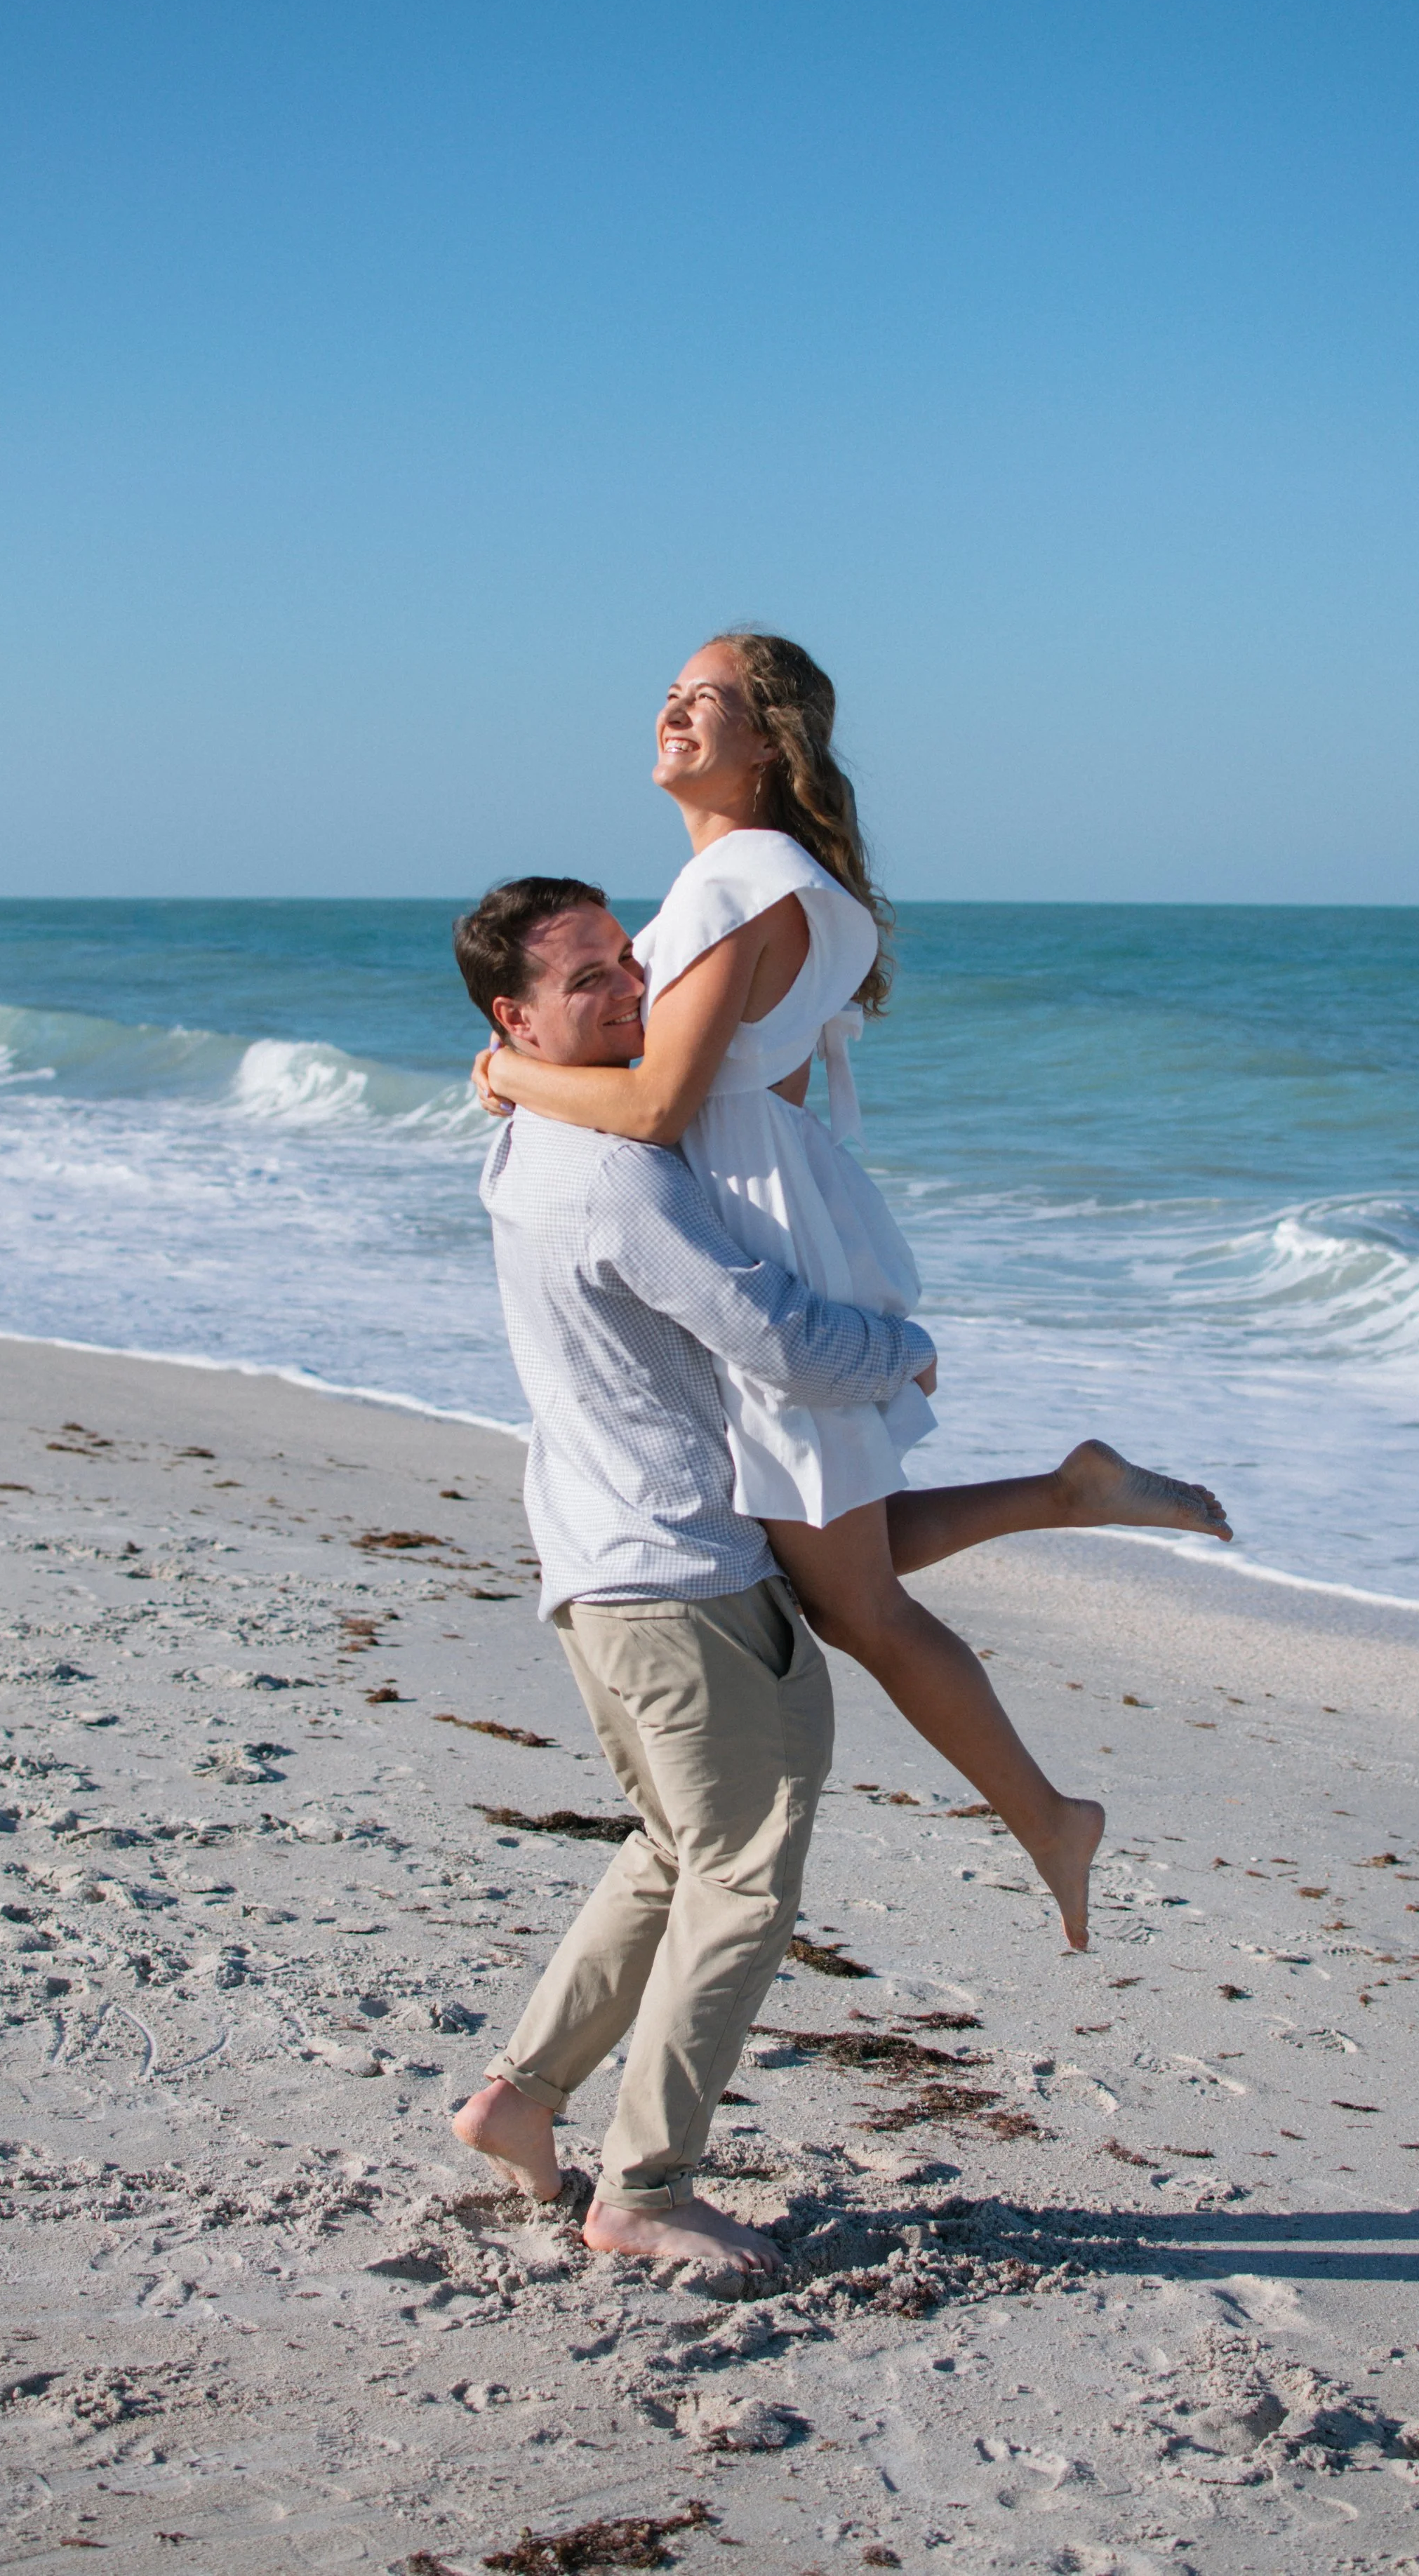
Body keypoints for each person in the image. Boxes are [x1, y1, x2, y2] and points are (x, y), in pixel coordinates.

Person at [469, 636, 1232, 1949]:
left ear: (770, 744)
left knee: (852, 1598)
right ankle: (1071, 1497)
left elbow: (654, 1106)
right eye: (671, 689)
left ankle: (1053, 1812)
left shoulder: (730, 882)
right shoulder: (777, 881)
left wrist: (508, 1076)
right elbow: (775, 1086)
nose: (673, 708)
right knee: (828, 1562)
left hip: (744, 1224)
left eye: (703, 698)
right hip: (772, 1207)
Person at [448, 875, 935, 2273]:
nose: (625, 991)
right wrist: (897, 1350)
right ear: (515, 1015)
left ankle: (519, 2100)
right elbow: (769, 1336)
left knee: (676, 1848)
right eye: (585, 979)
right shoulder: (608, 1166)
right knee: (739, 1873)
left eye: (625, 962)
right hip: (678, 1572)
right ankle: (644, 2191)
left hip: (599, 1565)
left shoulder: (528, 1137)